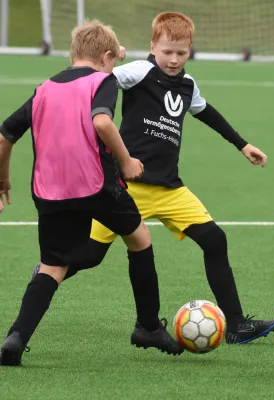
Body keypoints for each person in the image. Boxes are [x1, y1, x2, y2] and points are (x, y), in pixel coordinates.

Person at [31, 12, 274, 345]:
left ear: (190, 50)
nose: (174, 60)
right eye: (167, 52)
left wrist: (243, 144)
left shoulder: (188, 86)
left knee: (215, 240)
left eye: (181, 53)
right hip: (125, 188)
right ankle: (46, 276)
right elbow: (98, 79)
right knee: (88, 257)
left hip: (170, 189)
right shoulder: (139, 71)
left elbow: (206, 112)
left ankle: (235, 324)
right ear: (153, 47)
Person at [0, 20, 184, 366]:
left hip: (49, 189)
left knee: (53, 267)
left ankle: (16, 337)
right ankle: (147, 325)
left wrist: (2, 180)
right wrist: (127, 161)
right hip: (97, 184)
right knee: (140, 238)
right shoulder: (104, 80)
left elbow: (4, 136)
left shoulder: (45, 88)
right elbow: (101, 121)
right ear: (106, 57)